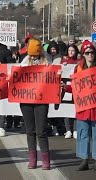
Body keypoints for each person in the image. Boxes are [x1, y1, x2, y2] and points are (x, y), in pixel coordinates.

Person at [20, 38, 55, 170]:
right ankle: (33, 159)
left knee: (41, 131)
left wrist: (57, 75)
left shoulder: (47, 62)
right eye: (32, 55)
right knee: (30, 130)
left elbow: (52, 78)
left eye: (36, 55)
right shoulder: (25, 61)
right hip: (27, 101)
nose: (33, 57)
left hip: (41, 100)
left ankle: (46, 160)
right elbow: (18, 77)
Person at [64, 40, 96, 171]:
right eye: (87, 53)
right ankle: (84, 159)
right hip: (83, 108)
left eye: (92, 52)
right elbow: (76, 87)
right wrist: (65, 88)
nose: (90, 55)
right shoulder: (78, 68)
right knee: (83, 133)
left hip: (95, 107)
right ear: (83, 54)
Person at [60, 44, 81, 139]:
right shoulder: (64, 61)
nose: (71, 52)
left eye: (73, 50)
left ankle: (75, 129)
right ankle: (68, 130)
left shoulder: (79, 62)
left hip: (76, 89)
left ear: (76, 51)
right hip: (66, 88)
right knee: (67, 109)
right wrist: (63, 65)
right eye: (69, 50)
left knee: (76, 108)